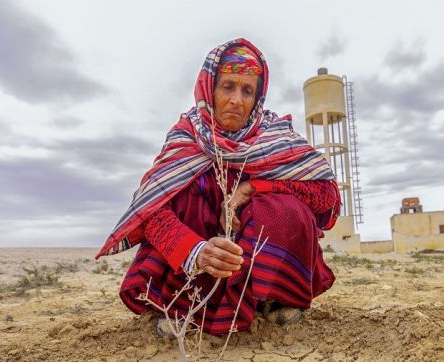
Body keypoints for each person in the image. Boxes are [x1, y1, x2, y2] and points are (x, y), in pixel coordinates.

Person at [97, 39, 340, 337]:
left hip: (251, 258)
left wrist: (255, 187)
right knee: (182, 196)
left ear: (257, 97)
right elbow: (151, 212)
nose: (237, 99)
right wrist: (194, 251)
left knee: (281, 205)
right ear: (209, 88)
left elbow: (325, 196)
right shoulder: (186, 138)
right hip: (198, 267)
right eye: (228, 87)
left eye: (247, 90)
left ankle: (273, 297)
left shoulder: (276, 137)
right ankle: (184, 306)